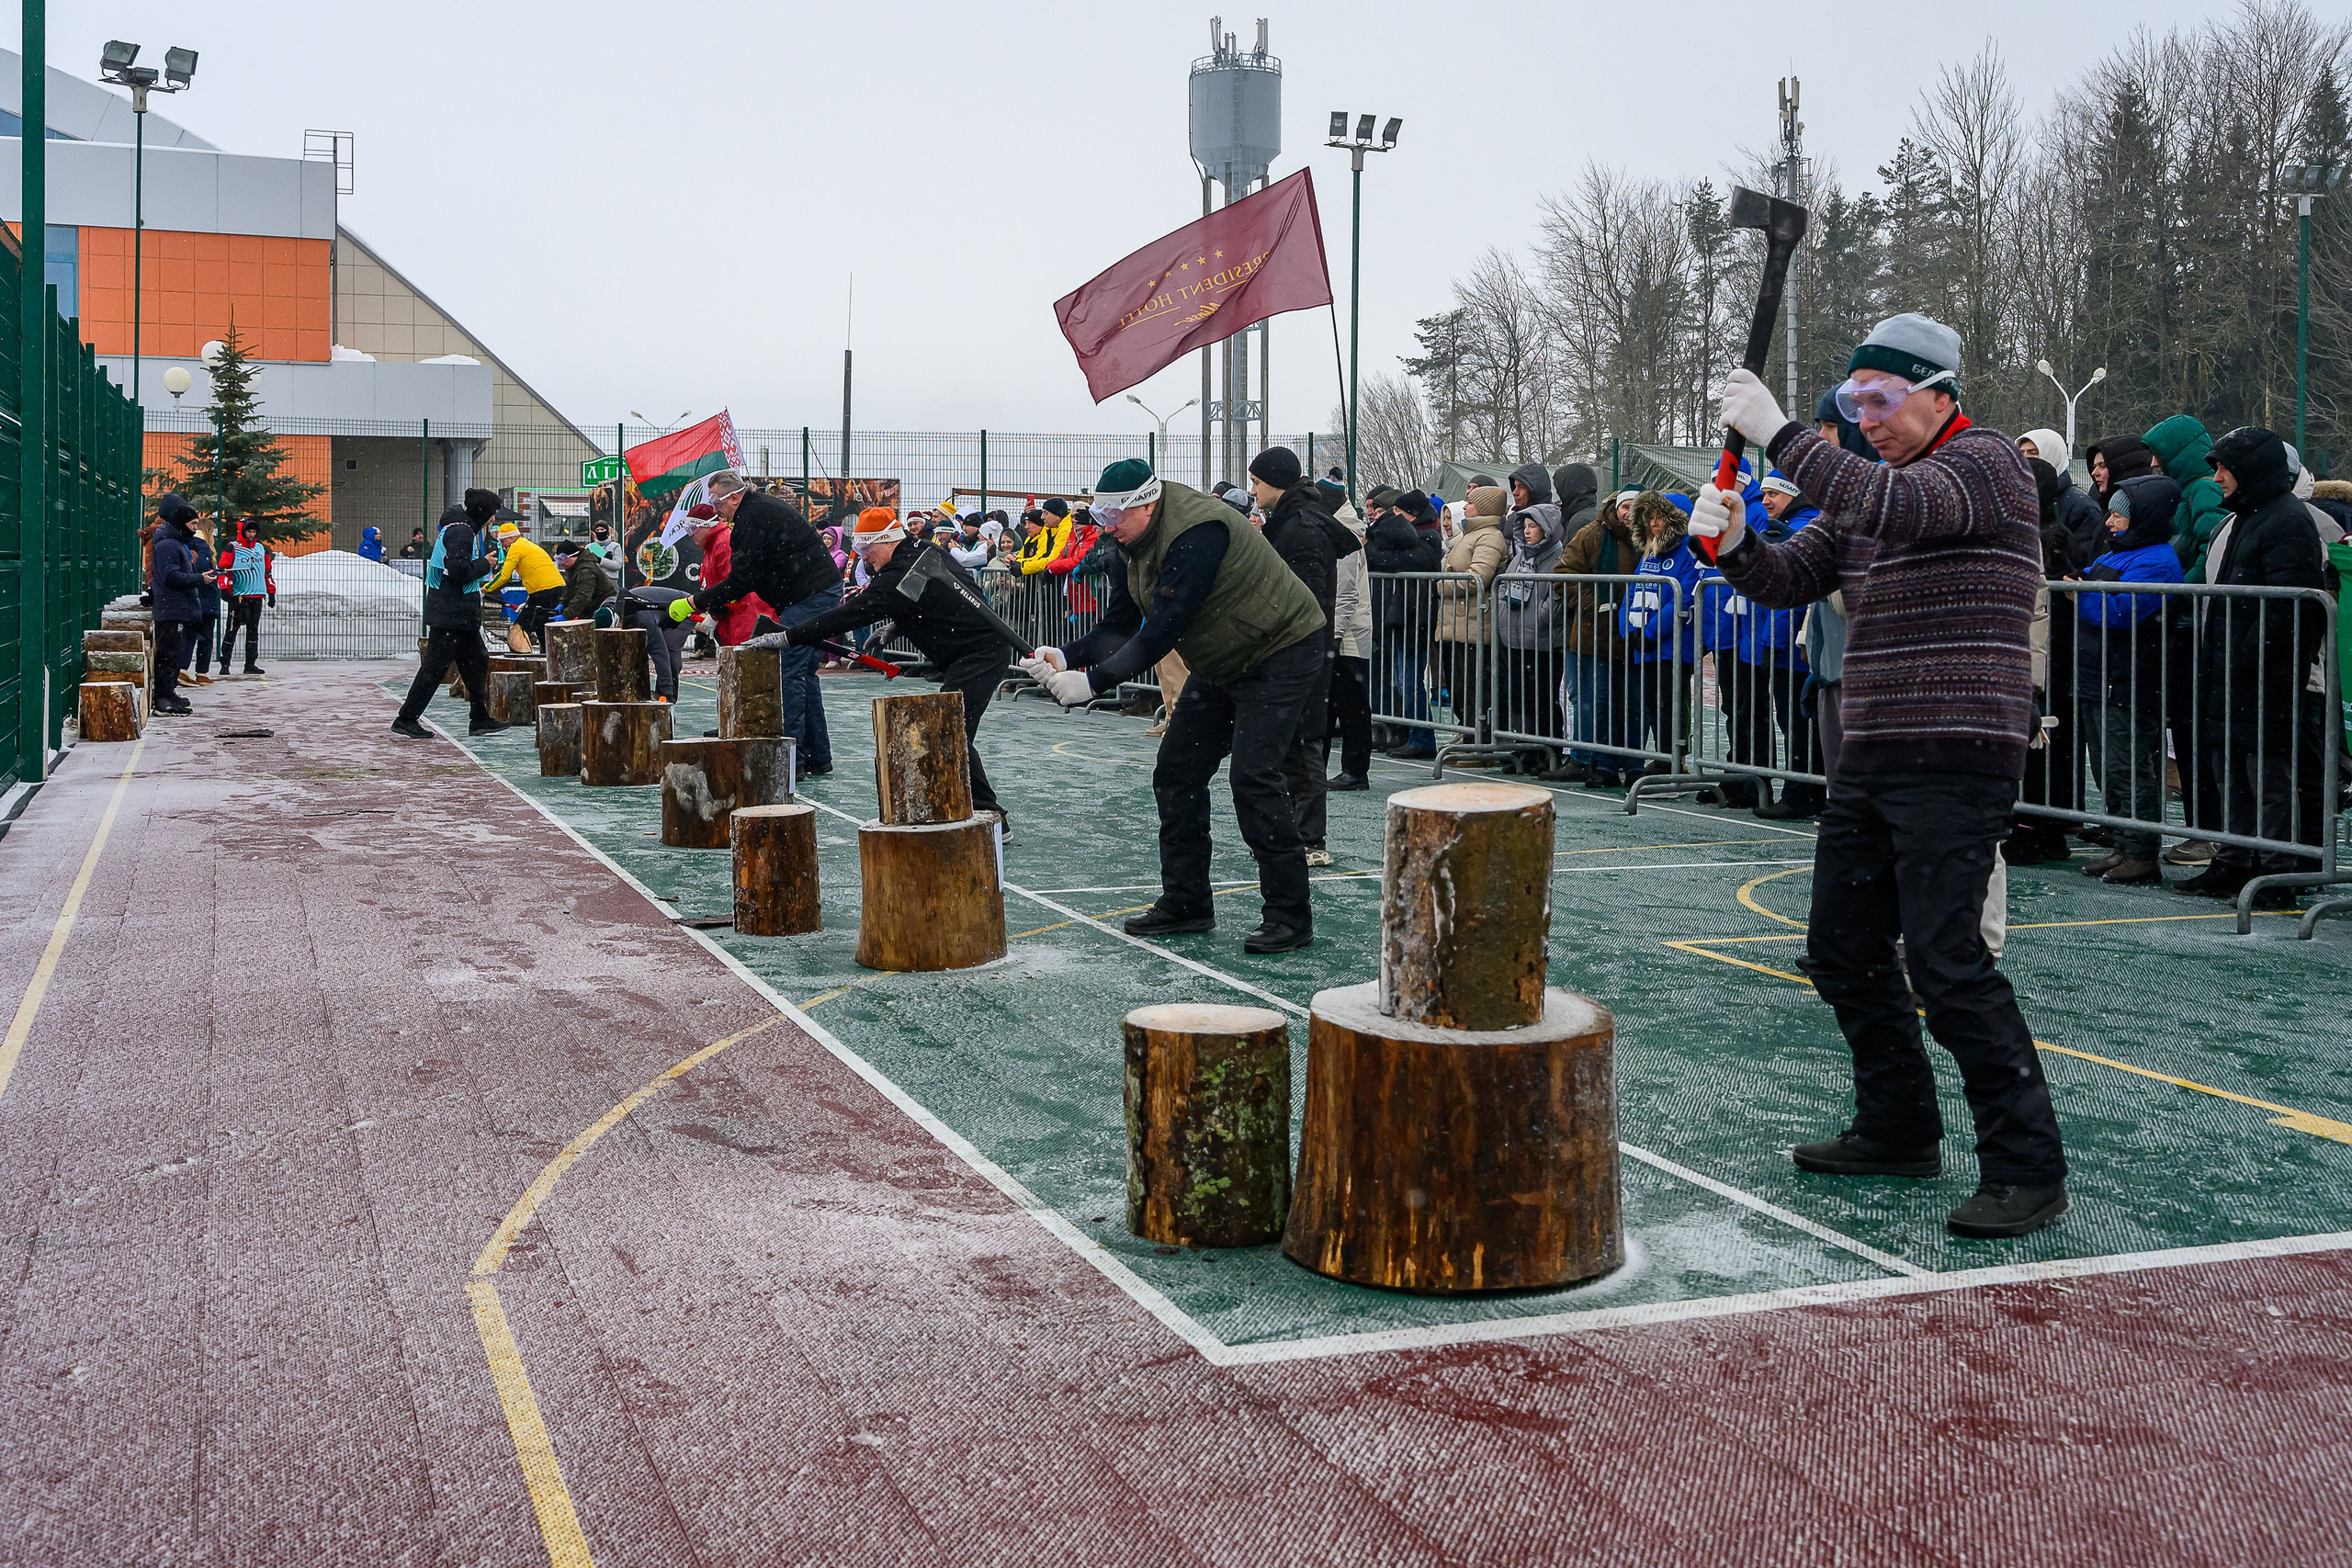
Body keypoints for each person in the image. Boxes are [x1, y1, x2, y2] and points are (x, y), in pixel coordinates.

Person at [1694, 310, 2068, 1239]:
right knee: (1840, 947)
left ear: (1940, 394)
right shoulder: (1872, 494)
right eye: (1854, 399)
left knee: (1946, 961)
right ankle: (1898, 1125)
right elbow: (1788, 578)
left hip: (1956, 751)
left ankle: (2028, 1166)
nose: (1864, 415)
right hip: (1871, 752)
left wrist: (1778, 433)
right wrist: (1737, 542)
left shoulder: (1983, 467)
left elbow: (1897, 507)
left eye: (1883, 398)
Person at [1020, 458, 1328, 953]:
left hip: (1281, 647)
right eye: (1101, 517)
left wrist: (1092, 682)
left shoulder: (1197, 532)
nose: (1107, 528)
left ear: (1147, 503)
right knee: (1177, 771)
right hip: (1224, 655)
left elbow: (1165, 627)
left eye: (1115, 517)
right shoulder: (1128, 541)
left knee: (1254, 777)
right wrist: (1069, 654)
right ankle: (1187, 902)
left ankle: (1289, 915)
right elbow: (1120, 624)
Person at [766, 507, 1017, 830]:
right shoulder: (922, 550)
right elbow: (925, 595)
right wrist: (898, 625)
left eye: (867, 553)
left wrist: (789, 636)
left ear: (884, 542)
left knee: (950, 733)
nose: (866, 561)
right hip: (965, 650)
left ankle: (991, 816)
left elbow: (849, 615)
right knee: (950, 732)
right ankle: (970, 808)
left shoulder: (899, 572)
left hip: (981, 652)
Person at [2174, 427, 2329, 909]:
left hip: (2264, 682)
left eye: (2224, 468)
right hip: (2236, 678)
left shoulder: (2285, 520)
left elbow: (2292, 608)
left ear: (2250, 472)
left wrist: (2249, 657)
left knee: (2269, 781)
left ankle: (2274, 871)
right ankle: (2236, 861)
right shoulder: (2249, 517)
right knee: (2235, 776)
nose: (2217, 477)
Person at [677, 471, 843, 775]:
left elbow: (740, 582)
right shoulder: (754, 512)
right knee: (804, 674)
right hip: (809, 592)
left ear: (734, 497)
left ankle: (793, 760)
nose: (715, 507)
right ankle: (817, 754)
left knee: (789, 672)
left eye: (716, 500)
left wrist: (695, 602)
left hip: (809, 595)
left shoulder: (750, 520)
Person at [1249, 446, 1358, 868]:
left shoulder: (1303, 528)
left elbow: (1308, 598)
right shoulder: (1292, 522)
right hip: (1294, 648)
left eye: (1258, 482)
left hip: (1302, 650)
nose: (1253, 490)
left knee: (1305, 744)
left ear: (1276, 482)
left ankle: (1310, 838)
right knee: (1290, 744)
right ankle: (1293, 832)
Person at [2075, 469, 2185, 884]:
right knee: (2109, 767)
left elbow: (2120, 614)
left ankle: (2141, 852)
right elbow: (2093, 587)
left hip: (2129, 678)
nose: (2109, 522)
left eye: (2118, 516)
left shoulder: (2158, 562)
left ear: (2143, 517)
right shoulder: (2118, 554)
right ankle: (2123, 845)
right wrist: (2087, 587)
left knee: (2131, 766)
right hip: (2100, 674)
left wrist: (2082, 593)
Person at [1736, 474, 1826, 818]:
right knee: (1800, 721)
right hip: (1789, 645)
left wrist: (1770, 643)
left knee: (1797, 722)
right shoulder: (1790, 525)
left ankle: (1799, 793)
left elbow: (1789, 594)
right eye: (1765, 493)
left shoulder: (1798, 530)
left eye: (1773, 493)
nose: (1766, 499)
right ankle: (1808, 792)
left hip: (1792, 649)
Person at [391, 493, 511, 739]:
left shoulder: (460, 527)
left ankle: (479, 717)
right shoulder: (462, 532)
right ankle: (406, 719)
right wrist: (485, 564)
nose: (493, 518)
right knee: (434, 668)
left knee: (477, 660)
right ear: (481, 511)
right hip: (451, 614)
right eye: (492, 512)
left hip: (457, 615)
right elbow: (458, 571)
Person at [1548, 486, 1636, 785]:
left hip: (1629, 634)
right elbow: (1563, 573)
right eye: (1625, 506)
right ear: (1615, 506)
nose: (1628, 513)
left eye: (1635, 508)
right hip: (1589, 632)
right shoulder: (1592, 534)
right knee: (1587, 699)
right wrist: (1591, 604)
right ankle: (1584, 757)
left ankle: (1613, 758)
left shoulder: (1647, 539)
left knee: (1620, 701)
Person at [1618, 491, 1702, 766]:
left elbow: (1684, 598)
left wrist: (1651, 632)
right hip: (1643, 645)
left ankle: (1673, 759)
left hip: (1671, 646)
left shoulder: (1688, 552)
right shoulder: (1648, 553)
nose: (1654, 524)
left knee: (1671, 705)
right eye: (1650, 517)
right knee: (1652, 705)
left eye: (1661, 518)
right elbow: (1630, 594)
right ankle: (1663, 757)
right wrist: (1626, 630)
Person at [1364, 488, 1443, 759]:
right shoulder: (1413, 539)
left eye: (1398, 513)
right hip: (1402, 617)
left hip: (1416, 618)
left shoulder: (1428, 539)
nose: (1392, 518)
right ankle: (1414, 733)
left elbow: (1392, 560)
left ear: (1412, 515)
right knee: (1401, 679)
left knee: (1410, 680)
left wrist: (1372, 546)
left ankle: (1422, 737)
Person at [1494, 477, 1566, 765]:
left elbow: (1558, 594)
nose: (1527, 530)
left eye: (1533, 525)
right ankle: (1527, 745)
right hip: (1515, 638)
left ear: (1547, 529)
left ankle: (1548, 749)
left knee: (1544, 700)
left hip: (1544, 642)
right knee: (1522, 698)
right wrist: (1503, 612)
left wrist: (1540, 617)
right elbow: (1503, 585)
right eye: (1524, 526)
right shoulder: (1520, 557)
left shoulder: (1558, 558)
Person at [1435, 481, 1511, 739]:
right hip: (1457, 625)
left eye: (1471, 503)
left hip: (1473, 626)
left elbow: (1479, 576)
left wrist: (1442, 584)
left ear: (1484, 508)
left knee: (1473, 689)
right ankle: (1469, 733)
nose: (1465, 506)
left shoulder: (1489, 536)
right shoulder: (1469, 536)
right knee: (1459, 687)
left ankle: (1478, 738)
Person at [1324, 475, 1374, 792]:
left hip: (1348, 636)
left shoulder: (1345, 537)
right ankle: (1340, 767)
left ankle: (1355, 770)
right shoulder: (1343, 531)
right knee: (1336, 704)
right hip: (1345, 632)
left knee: (1352, 706)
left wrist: (1335, 637)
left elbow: (1345, 594)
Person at [146, 494, 204, 716]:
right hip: (171, 608)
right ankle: (164, 698)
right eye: (193, 524)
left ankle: (169, 693)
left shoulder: (174, 543)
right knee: (168, 655)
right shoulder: (168, 545)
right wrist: (200, 579)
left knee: (173, 654)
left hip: (175, 607)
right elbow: (171, 577)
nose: (195, 529)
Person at [684, 504, 771, 646]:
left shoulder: (723, 544)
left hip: (746, 617)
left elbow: (734, 587)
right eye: (688, 529)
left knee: (746, 662)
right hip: (736, 617)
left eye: (693, 529)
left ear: (707, 526)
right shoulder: (712, 547)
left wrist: (715, 614)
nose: (691, 534)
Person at [2018, 429, 2104, 559]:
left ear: (2053, 455)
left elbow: (2086, 558)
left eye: (2032, 453)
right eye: (2020, 453)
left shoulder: (2081, 507)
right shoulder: (2014, 500)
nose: (2025, 459)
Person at [484, 523, 566, 649]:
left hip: (544, 592)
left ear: (511, 538)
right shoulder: (527, 544)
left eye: (502, 541)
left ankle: (531, 657)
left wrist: (485, 589)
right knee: (542, 625)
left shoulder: (515, 547)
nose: (502, 545)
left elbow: (504, 575)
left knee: (520, 628)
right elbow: (538, 574)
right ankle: (547, 655)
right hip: (554, 589)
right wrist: (530, 599)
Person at [215, 517, 276, 675]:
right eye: (249, 531)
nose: (251, 534)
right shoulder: (232, 548)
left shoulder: (261, 549)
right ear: (242, 531)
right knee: (232, 629)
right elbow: (223, 569)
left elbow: (267, 572)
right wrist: (225, 589)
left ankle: (250, 664)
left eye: (254, 532)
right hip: (239, 595)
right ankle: (225, 664)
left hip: (257, 595)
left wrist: (271, 592)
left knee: (253, 630)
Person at [184, 523, 219, 687]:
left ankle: (185, 668)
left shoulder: (189, 543)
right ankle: (199, 671)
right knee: (203, 636)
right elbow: (202, 569)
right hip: (205, 598)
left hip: (194, 597)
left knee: (190, 635)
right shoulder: (202, 545)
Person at [550, 537, 614, 625]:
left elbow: (583, 597)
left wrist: (566, 615)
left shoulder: (585, 571)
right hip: (590, 607)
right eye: (558, 559)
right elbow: (570, 589)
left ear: (574, 557)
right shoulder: (574, 568)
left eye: (563, 559)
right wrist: (563, 602)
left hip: (600, 607)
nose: (561, 563)